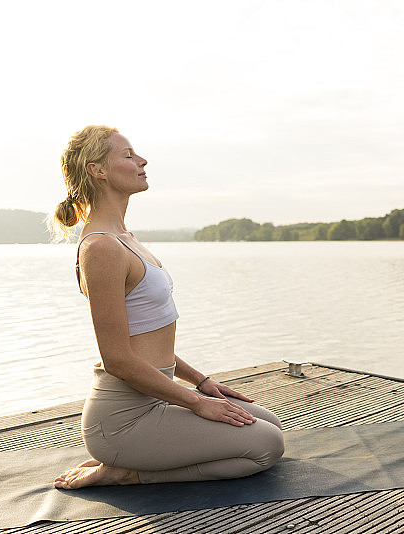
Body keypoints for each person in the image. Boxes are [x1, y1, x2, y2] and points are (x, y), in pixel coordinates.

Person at [51, 125, 284, 489]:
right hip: (123, 417)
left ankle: (133, 460)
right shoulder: (101, 249)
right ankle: (125, 472)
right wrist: (195, 403)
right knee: (265, 447)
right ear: (98, 170)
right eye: (128, 155)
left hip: (156, 394)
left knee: (268, 423)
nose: (142, 161)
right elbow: (117, 359)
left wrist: (203, 384)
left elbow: (149, 335)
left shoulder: (125, 239)